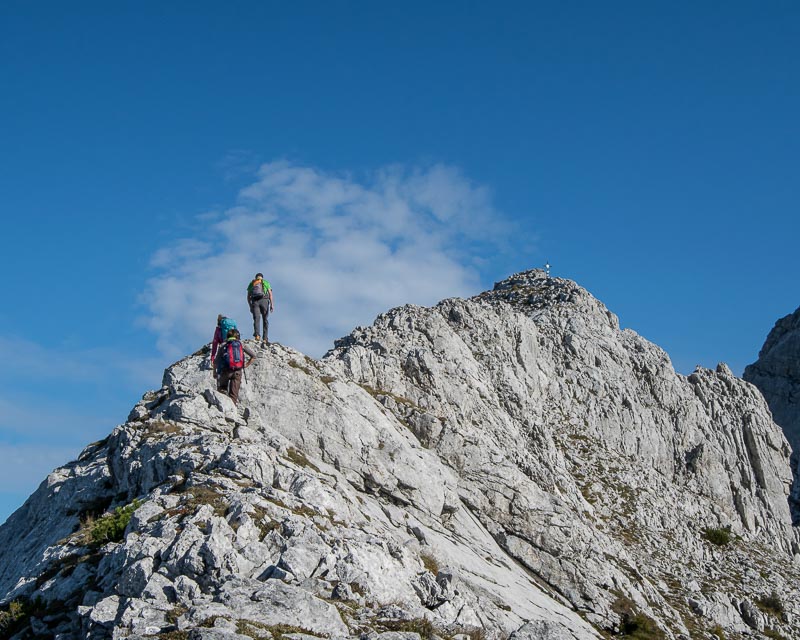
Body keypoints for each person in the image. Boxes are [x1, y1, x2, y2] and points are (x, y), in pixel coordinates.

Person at [215, 328, 257, 404]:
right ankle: (232, 411)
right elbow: (253, 356)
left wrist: (215, 373)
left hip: (226, 371)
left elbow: (216, 361)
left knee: (222, 389)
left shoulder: (223, 345)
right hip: (237, 371)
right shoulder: (241, 344)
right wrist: (246, 365)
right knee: (234, 395)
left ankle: (221, 408)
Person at [247, 272, 274, 343]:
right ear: (262, 277)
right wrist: (271, 304)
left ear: (256, 277)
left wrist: (250, 306)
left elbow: (248, 296)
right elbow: (270, 294)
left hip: (255, 302)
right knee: (265, 319)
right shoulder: (265, 282)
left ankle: (257, 335)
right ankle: (265, 338)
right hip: (264, 300)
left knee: (256, 318)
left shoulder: (252, 283)